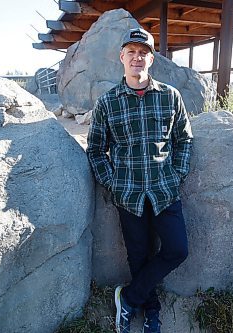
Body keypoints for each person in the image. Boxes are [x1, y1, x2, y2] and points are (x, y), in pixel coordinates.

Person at [86, 27, 193, 333]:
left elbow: (184, 139)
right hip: (128, 193)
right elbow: (95, 149)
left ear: (151, 59)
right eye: (131, 52)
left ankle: (129, 297)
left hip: (164, 190)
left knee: (177, 249)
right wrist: (112, 182)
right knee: (138, 255)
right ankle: (151, 312)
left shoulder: (170, 97)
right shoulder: (108, 102)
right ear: (122, 57)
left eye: (143, 52)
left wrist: (177, 174)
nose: (137, 58)